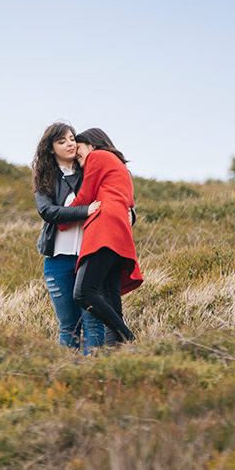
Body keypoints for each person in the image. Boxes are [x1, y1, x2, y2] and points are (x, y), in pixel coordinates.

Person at [32, 122, 106, 351]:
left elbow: (113, 195)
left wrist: (129, 212)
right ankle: (67, 376)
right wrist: (84, 211)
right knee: (68, 325)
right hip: (58, 261)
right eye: (62, 141)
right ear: (51, 148)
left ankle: (92, 373)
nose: (70, 144)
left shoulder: (89, 169)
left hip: (91, 257)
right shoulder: (45, 177)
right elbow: (47, 212)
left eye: (72, 138)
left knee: (94, 322)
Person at [68, 128, 143, 345]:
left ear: (92, 144)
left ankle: (128, 337)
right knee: (111, 303)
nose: (77, 155)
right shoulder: (121, 168)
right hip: (118, 233)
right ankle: (115, 355)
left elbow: (85, 196)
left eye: (78, 149)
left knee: (83, 293)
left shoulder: (97, 155)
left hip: (104, 230)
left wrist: (59, 219)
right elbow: (128, 202)